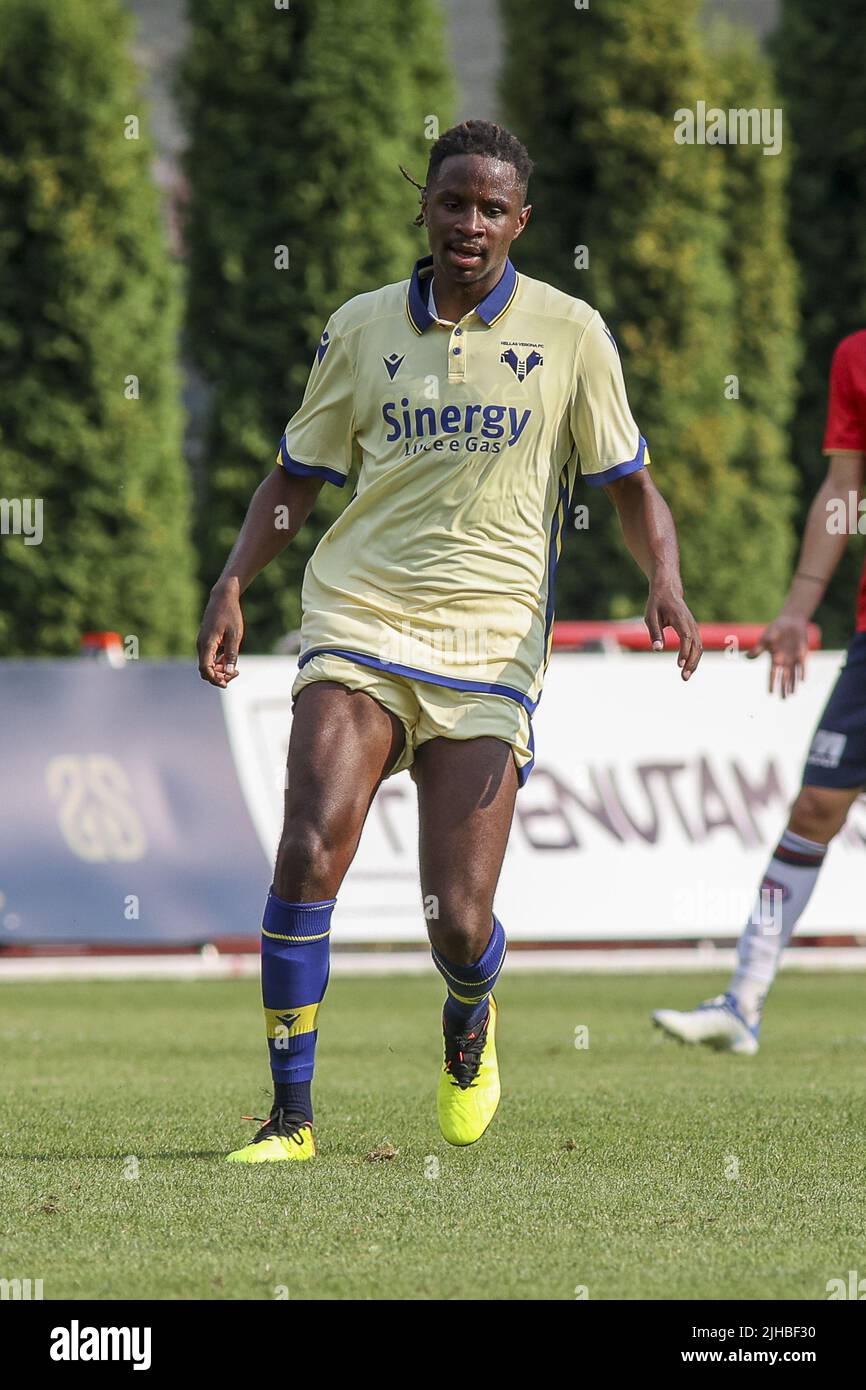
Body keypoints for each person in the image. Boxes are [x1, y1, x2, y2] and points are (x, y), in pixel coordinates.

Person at [196, 119, 702, 1162]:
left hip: (488, 654)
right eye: (451, 201)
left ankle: (468, 1015)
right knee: (306, 847)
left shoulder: (571, 335)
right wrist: (235, 579)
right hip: (359, 623)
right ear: (421, 206)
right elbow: (295, 477)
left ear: (521, 220)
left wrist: (663, 575)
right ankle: (290, 1119)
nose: (468, 223)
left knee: (457, 923)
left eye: (489, 207)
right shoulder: (360, 328)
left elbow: (630, 486)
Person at [653, 330, 866, 1055]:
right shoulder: (855, 357)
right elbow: (843, 491)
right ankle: (742, 1004)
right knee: (815, 807)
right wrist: (797, 609)